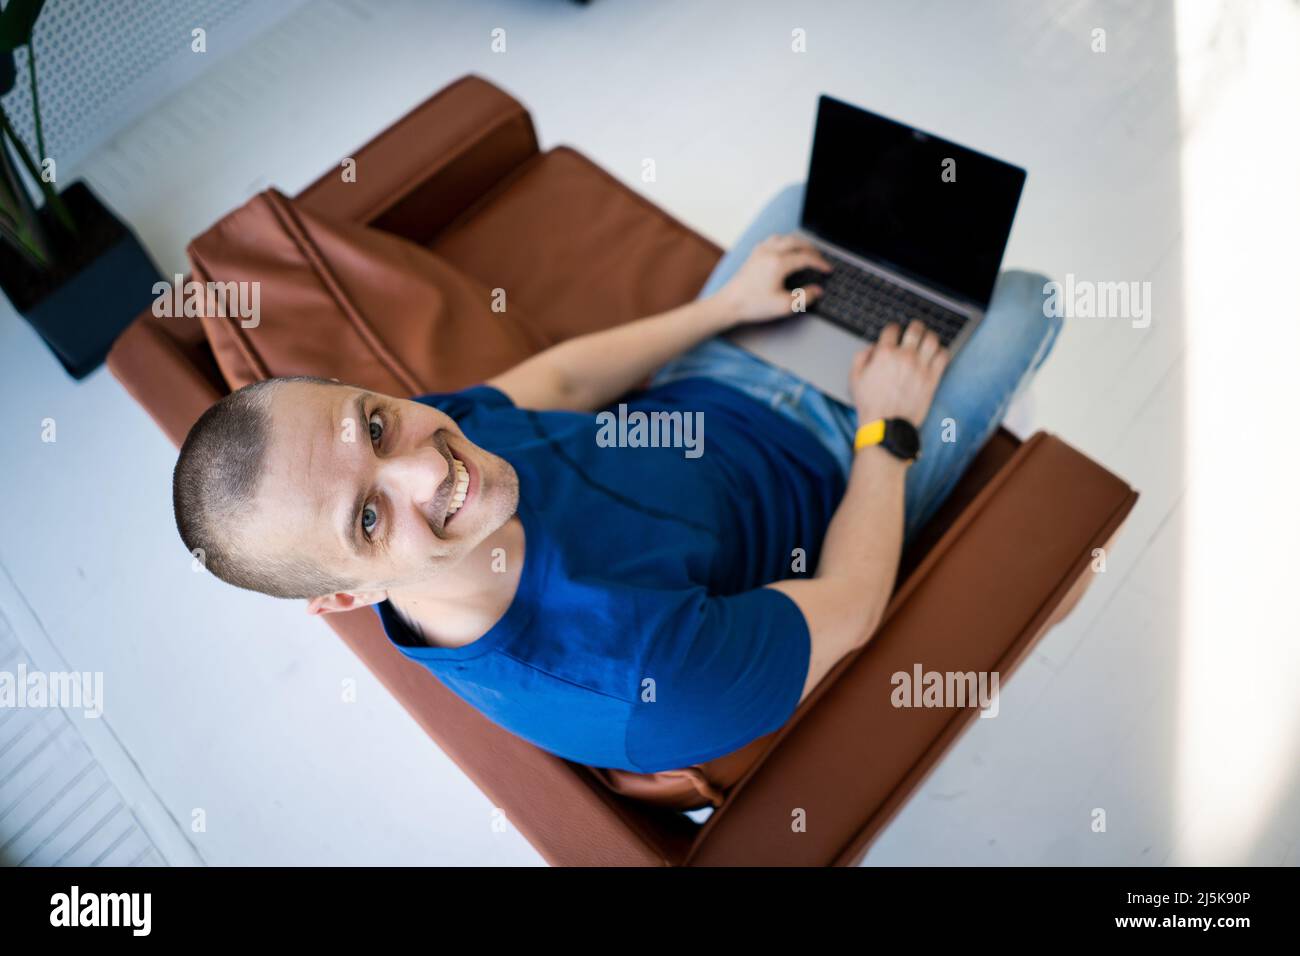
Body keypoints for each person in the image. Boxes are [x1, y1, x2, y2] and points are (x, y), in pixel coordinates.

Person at [171, 183, 1061, 774]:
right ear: (341, 601)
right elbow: (856, 603)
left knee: (805, 208)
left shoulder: (423, 441)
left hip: (705, 383)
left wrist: (729, 306)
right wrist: (888, 426)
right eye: (368, 520)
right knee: (1028, 298)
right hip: (840, 458)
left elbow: (552, 385)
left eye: (373, 422)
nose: (425, 465)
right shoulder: (640, 680)